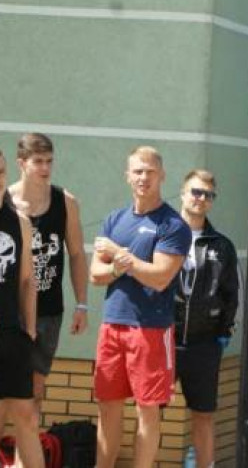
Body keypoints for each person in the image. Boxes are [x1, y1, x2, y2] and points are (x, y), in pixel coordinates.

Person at [90, 146, 191, 468]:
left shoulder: (173, 225)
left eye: (149, 171)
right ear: (127, 176)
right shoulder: (113, 219)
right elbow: (96, 275)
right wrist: (121, 268)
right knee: (107, 406)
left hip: (150, 328)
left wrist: (120, 255)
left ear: (161, 175)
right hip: (112, 325)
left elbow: (160, 277)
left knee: (146, 410)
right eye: (137, 171)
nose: (143, 177)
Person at [2, 133, 89, 410]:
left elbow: (76, 254)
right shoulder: (7, 201)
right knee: (6, 397)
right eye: (38, 161)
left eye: (49, 161)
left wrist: (82, 304)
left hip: (48, 309)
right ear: (21, 163)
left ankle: (24, 454)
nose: (45, 168)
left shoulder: (65, 202)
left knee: (35, 392)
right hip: (11, 310)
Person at [173, 170, 240, 468]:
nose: (201, 199)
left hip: (204, 344)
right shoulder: (164, 234)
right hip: (164, 340)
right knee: (148, 412)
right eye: (196, 192)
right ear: (183, 194)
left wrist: (223, 330)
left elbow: (230, 292)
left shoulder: (221, 245)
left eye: (208, 195)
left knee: (204, 414)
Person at [0, 149, 45, 468]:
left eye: (1, 171)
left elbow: (28, 281)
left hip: (10, 335)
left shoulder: (20, 222)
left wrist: (29, 331)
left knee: (27, 417)